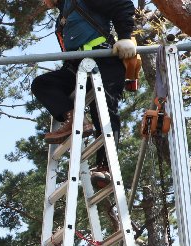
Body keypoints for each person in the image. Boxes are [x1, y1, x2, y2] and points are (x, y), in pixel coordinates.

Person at [31, 0, 137, 183]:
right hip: (76, 67)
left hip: (104, 61)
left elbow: (122, 5)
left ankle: (106, 166)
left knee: (103, 109)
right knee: (42, 84)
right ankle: (75, 118)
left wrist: (125, 36)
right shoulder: (63, 16)